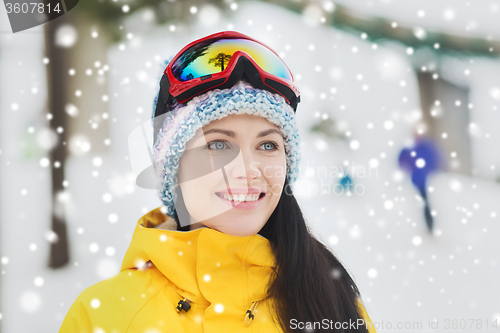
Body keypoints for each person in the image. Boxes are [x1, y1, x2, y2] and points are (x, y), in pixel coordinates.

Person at [58, 31, 377, 333]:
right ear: (173, 168)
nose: (248, 170)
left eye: (267, 145)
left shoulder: (332, 302)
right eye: (219, 145)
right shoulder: (106, 315)